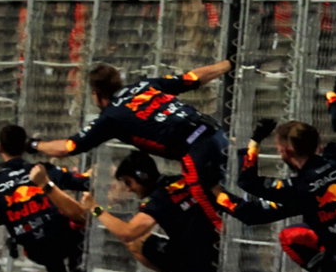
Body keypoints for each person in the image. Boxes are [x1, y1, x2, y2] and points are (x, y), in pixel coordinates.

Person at [32, 59, 233, 232]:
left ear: (96, 94)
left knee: (216, 217)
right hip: (217, 133)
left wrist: (34, 145)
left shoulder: (110, 117)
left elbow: (68, 147)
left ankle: (226, 243)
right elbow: (192, 78)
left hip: (195, 152)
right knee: (231, 189)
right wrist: (229, 63)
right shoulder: (146, 85)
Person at [222, 119, 336, 272]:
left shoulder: (298, 188)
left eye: (278, 149)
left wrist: (255, 140)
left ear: (286, 152)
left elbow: (247, 182)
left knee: (290, 236)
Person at [85, 150, 223, 272]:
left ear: (142, 177)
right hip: (217, 253)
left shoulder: (160, 198)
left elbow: (127, 233)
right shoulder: (179, 181)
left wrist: (94, 209)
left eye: (129, 183)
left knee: (136, 242)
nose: (129, 190)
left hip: (200, 264)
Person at [0, 125, 91, 272]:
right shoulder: (42, 170)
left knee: (32, 235)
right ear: (24, 147)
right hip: (67, 239)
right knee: (73, 218)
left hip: (36, 252)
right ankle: (75, 269)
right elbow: (84, 182)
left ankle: (60, 271)